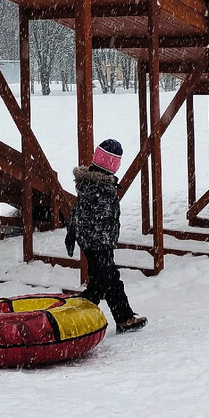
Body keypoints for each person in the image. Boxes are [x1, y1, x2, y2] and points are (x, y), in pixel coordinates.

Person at [64, 138, 147, 332]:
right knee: (101, 281)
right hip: (99, 243)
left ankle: (124, 317)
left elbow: (78, 211)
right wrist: (104, 242)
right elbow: (101, 218)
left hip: (90, 240)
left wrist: (72, 233)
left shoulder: (88, 184)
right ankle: (78, 314)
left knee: (111, 279)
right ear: (114, 165)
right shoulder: (103, 188)